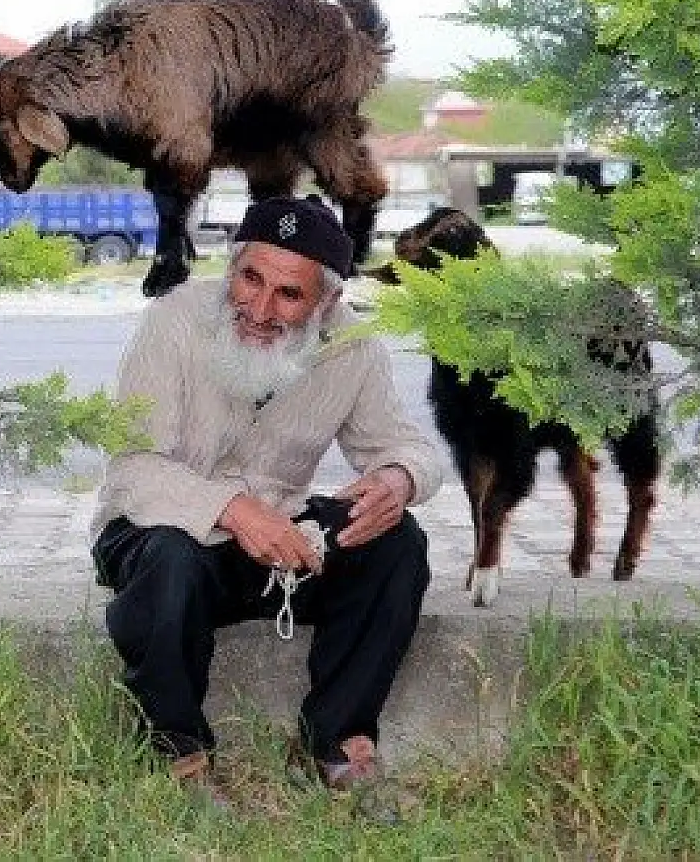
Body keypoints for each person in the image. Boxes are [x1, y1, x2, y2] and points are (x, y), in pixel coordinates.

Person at [91, 194, 441, 799]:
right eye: (249, 279)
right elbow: (132, 469)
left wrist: (397, 480)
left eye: (289, 295)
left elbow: (409, 447)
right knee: (169, 560)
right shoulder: (174, 319)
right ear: (232, 268)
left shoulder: (350, 347)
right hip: (159, 534)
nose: (258, 308)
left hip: (274, 547)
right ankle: (177, 751)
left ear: (327, 303)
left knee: (398, 542)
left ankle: (337, 739)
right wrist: (230, 508)